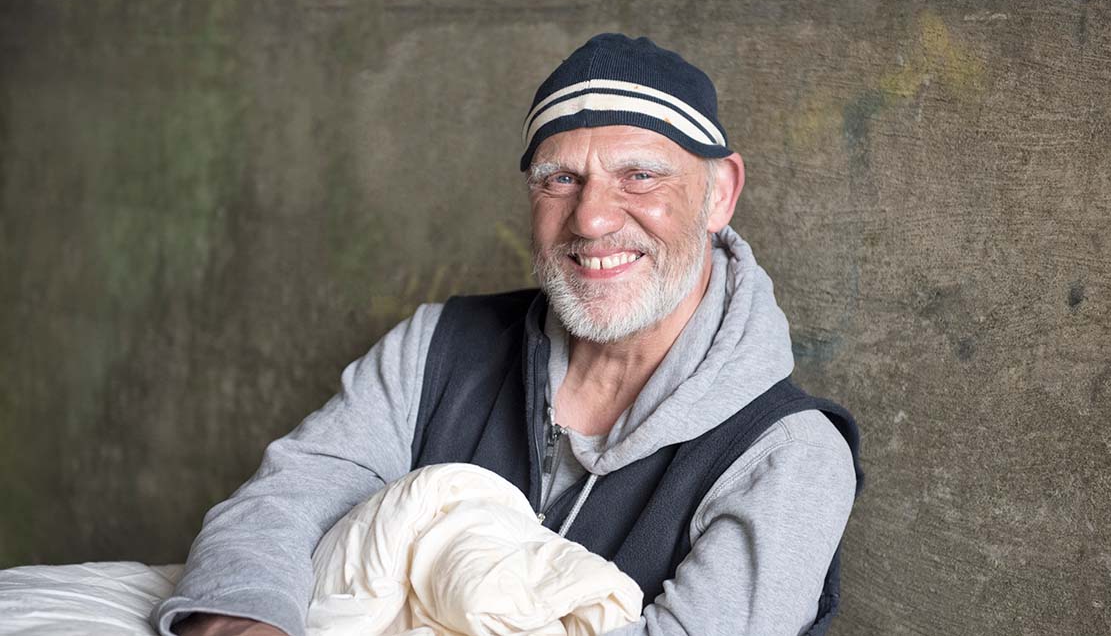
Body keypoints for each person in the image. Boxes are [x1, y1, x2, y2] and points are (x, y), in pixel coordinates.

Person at [154, 33, 863, 636]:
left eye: (640, 175)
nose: (590, 218)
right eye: (559, 179)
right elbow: (284, 499)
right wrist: (246, 622)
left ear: (720, 193)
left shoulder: (788, 457)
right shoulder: (437, 347)